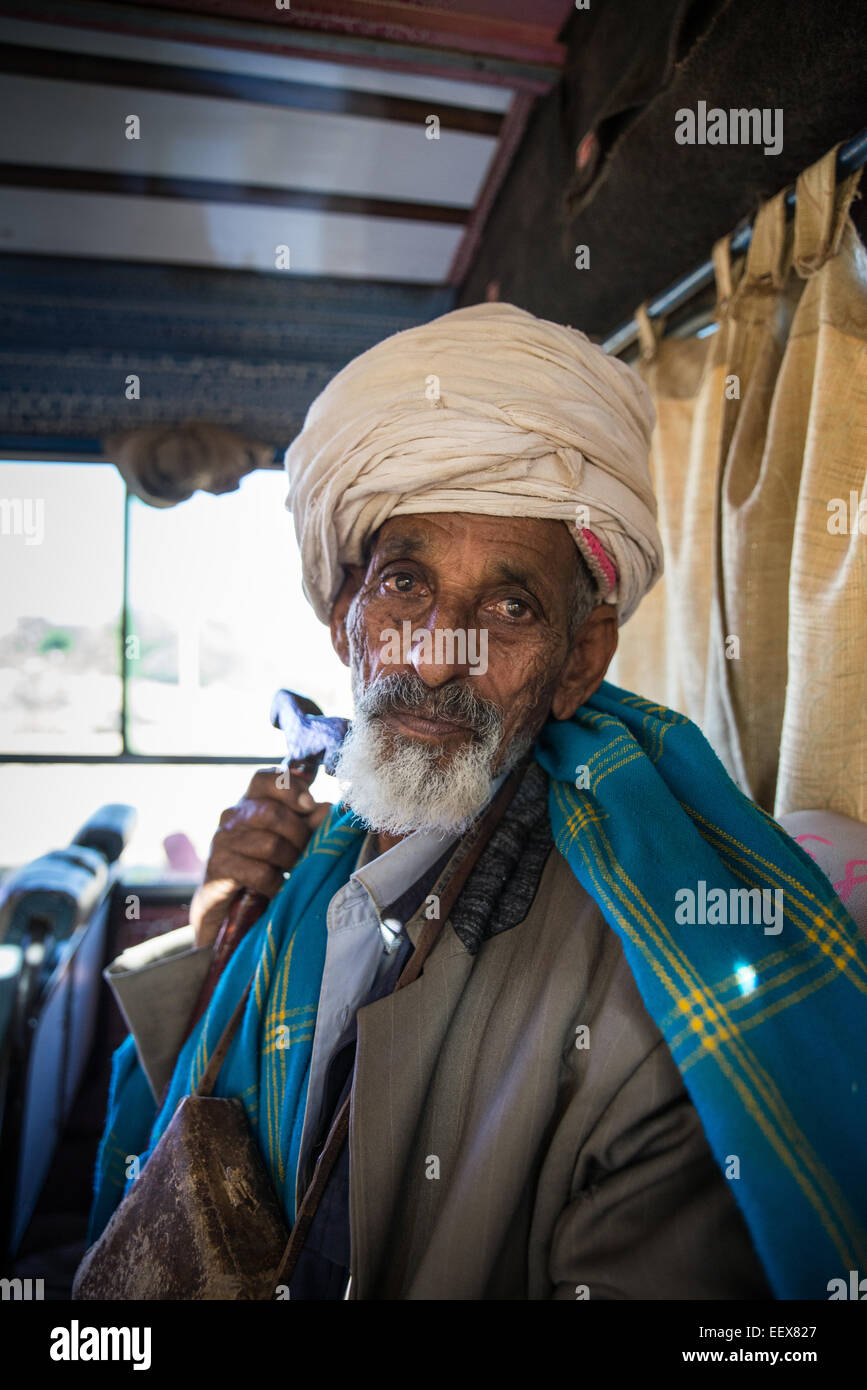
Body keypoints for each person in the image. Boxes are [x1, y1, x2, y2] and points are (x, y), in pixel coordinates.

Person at [85, 303, 867, 1300]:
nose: (436, 653)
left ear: (581, 661)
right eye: (407, 583)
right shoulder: (317, 863)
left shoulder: (647, 1008)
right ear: (345, 620)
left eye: (509, 606)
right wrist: (222, 930)